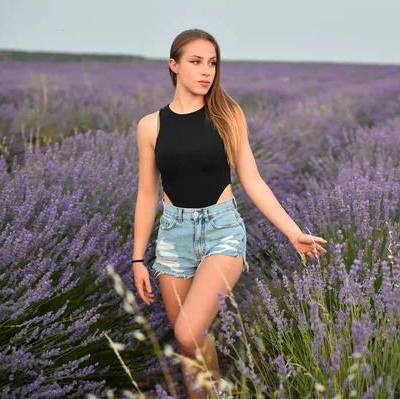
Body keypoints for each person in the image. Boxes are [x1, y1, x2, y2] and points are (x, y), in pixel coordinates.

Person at [131, 28, 328, 398]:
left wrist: (292, 231)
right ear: (173, 66)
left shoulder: (227, 114)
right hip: (173, 237)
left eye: (212, 63)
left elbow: (252, 180)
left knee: (187, 334)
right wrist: (139, 257)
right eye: (195, 62)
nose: (206, 71)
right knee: (193, 347)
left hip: (222, 230)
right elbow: (146, 194)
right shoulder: (150, 126)